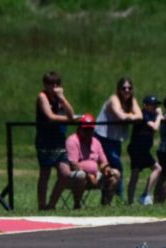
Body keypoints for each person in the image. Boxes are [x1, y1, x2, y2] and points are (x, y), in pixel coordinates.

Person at [55, 113, 120, 209]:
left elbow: (103, 162)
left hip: (94, 176)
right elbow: (73, 165)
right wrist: (89, 176)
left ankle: (106, 204)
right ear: (80, 129)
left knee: (116, 174)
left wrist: (106, 169)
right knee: (81, 175)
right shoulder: (72, 140)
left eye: (91, 129)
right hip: (74, 177)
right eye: (86, 129)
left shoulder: (96, 142)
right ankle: (77, 205)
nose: (88, 132)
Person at [94, 77, 143, 198]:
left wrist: (129, 116)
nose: (127, 90)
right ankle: (118, 196)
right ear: (118, 89)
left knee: (113, 168)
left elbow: (140, 116)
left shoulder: (132, 100)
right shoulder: (113, 99)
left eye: (129, 88)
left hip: (115, 139)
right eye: (124, 88)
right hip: (103, 137)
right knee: (116, 166)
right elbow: (120, 116)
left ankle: (108, 196)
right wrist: (132, 115)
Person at [35, 71, 75, 210]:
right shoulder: (42, 97)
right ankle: (42, 205)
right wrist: (69, 120)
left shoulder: (59, 98)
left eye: (57, 84)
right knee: (45, 173)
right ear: (45, 85)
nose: (54, 86)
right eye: (51, 84)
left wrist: (62, 98)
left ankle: (52, 204)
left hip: (59, 140)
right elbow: (50, 116)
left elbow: (71, 113)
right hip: (45, 140)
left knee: (65, 173)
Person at [126, 95, 162, 205]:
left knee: (157, 169)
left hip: (144, 150)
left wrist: (160, 116)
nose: (155, 107)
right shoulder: (144, 114)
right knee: (135, 174)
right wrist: (160, 116)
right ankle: (131, 201)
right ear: (146, 106)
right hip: (137, 149)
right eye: (152, 105)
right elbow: (155, 127)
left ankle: (145, 194)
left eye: (156, 105)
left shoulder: (152, 115)